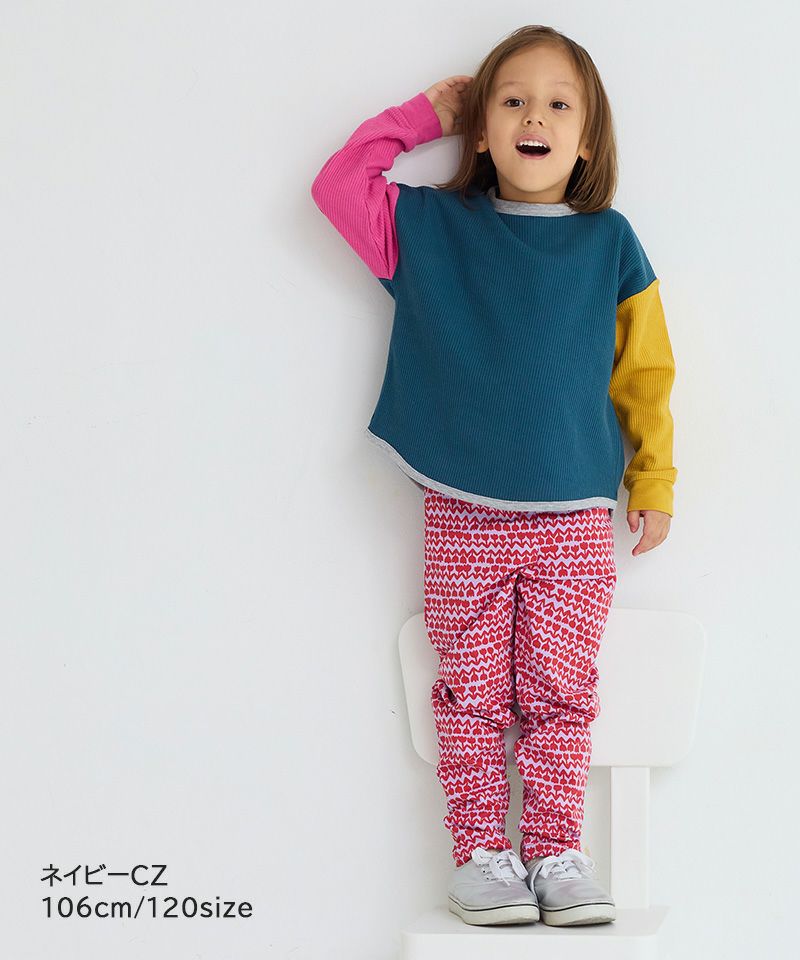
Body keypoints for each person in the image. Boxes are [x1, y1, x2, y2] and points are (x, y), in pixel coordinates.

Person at [310, 23, 677, 928]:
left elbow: (645, 372)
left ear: (586, 138)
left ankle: (555, 852)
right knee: (471, 693)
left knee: (561, 694)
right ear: (481, 129)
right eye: (511, 101)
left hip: (575, 517)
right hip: (463, 511)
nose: (533, 118)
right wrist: (420, 117)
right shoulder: (432, 228)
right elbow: (338, 186)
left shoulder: (611, 243)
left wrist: (655, 479)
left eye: (557, 104)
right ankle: (481, 854)